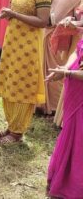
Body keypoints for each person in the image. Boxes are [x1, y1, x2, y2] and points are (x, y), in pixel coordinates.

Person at [0, 0, 53, 144]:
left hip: (29, 47)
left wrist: (15, 14)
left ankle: (17, 133)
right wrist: (7, 14)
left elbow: (42, 21)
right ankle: (11, 125)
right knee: (10, 82)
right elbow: (15, 9)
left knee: (22, 86)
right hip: (12, 42)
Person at [43, 0, 83, 116]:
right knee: (44, 68)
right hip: (46, 30)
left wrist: (69, 21)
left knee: (58, 70)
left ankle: (55, 106)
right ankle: (42, 103)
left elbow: (78, 16)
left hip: (63, 36)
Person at [46, 39, 83, 198]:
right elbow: (77, 50)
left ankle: (75, 185)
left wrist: (67, 73)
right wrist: (65, 67)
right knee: (72, 134)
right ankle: (64, 179)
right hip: (74, 90)